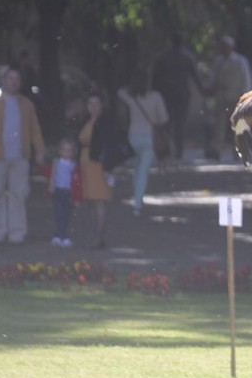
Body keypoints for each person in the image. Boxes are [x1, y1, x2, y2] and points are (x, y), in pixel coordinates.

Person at [0, 67, 45, 244]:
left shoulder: (27, 105)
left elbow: (35, 130)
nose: (13, 82)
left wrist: (39, 151)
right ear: (3, 81)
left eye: (17, 78)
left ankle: (17, 232)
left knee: (18, 195)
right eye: (10, 78)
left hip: (20, 156)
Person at [118, 70, 169, 217]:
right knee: (143, 170)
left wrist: (132, 87)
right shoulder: (155, 97)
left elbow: (119, 91)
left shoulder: (131, 97)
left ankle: (137, 198)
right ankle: (138, 204)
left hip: (133, 137)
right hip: (149, 138)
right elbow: (164, 118)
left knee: (137, 168)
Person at [152, 32, 203, 159]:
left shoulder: (163, 57)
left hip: (166, 94)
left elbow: (155, 77)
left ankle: (166, 148)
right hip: (182, 94)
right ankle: (179, 150)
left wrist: (154, 92)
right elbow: (195, 76)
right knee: (180, 124)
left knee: (166, 122)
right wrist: (203, 91)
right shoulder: (187, 57)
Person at [204, 35, 252, 160]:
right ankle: (216, 149)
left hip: (237, 97)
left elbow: (246, 79)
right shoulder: (218, 62)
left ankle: (238, 150)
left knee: (238, 125)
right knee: (218, 125)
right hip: (221, 97)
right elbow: (212, 78)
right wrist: (210, 88)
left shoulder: (240, 61)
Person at [78, 92, 117, 248]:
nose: (93, 107)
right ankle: (94, 233)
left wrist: (107, 168)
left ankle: (98, 236)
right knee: (91, 201)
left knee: (99, 201)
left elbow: (108, 146)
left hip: (98, 165)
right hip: (86, 163)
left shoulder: (105, 123)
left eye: (96, 103)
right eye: (90, 104)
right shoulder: (85, 121)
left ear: (102, 105)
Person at [47, 137, 79, 247]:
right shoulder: (57, 162)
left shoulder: (73, 165)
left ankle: (59, 234)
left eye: (69, 150)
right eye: (65, 150)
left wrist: (76, 196)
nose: (67, 152)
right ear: (60, 151)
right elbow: (52, 175)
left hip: (68, 192)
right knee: (58, 213)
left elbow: (76, 181)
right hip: (58, 190)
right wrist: (51, 187)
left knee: (66, 214)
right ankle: (62, 236)